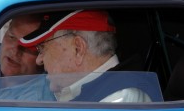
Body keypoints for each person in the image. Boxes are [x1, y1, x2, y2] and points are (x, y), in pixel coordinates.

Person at [19, 10, 151, 102]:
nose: (39, 60)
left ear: (78, 49)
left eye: (42, 48)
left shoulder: (119, 101)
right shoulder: (99, 95)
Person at [0, 15, 55, 101]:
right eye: (12, 37)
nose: (15, 51)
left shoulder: (39, 99)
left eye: (28, 45)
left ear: (43, 55)